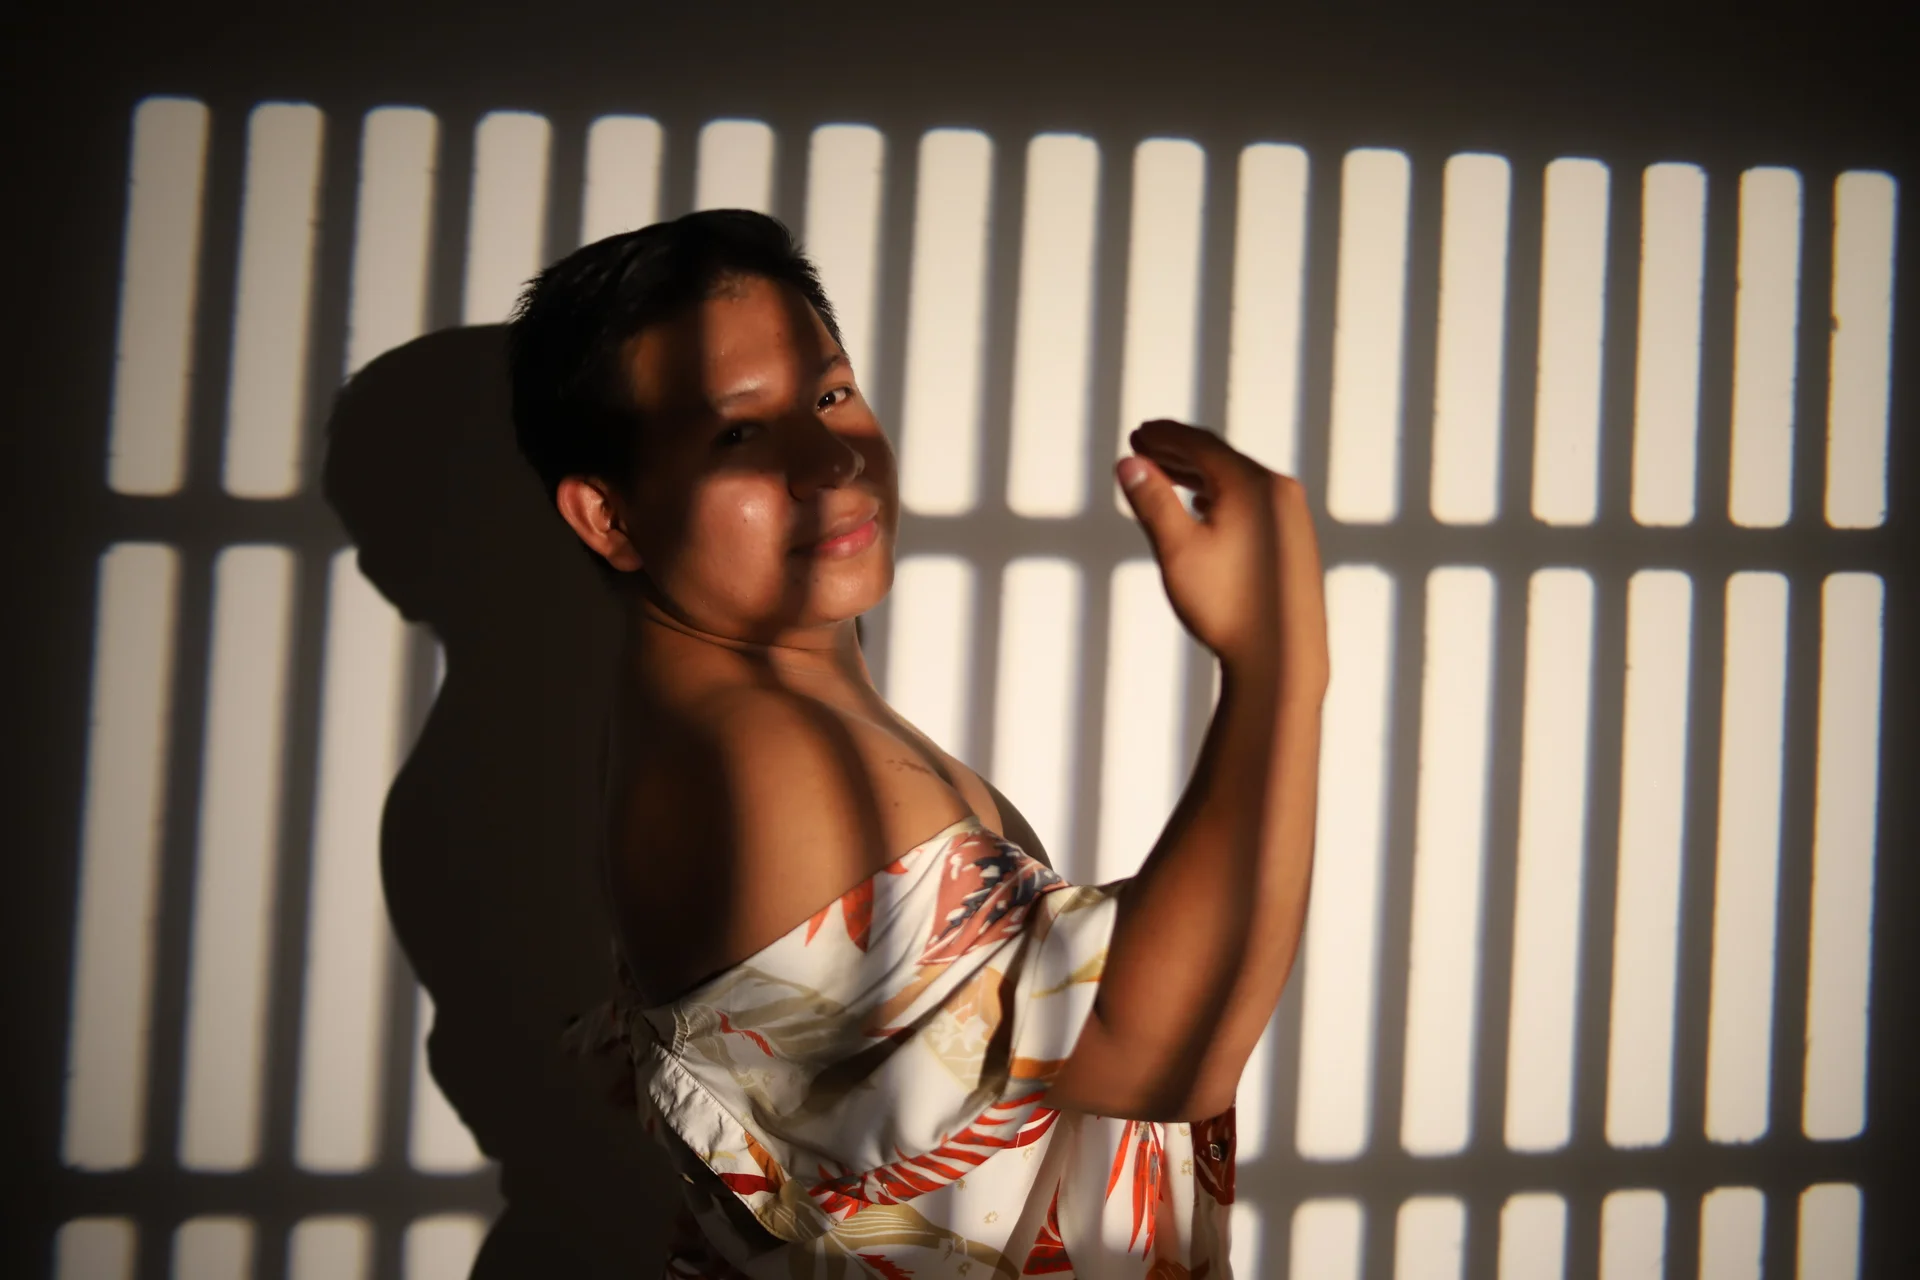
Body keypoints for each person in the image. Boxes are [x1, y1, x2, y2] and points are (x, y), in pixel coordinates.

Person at [507, 209, 1328, 1277]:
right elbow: (1154, 1050)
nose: (830, 459)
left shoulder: (739, 712)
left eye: (829, 394)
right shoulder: (765, 760)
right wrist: (1277, 663)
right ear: (609, 517)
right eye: (737, 434)